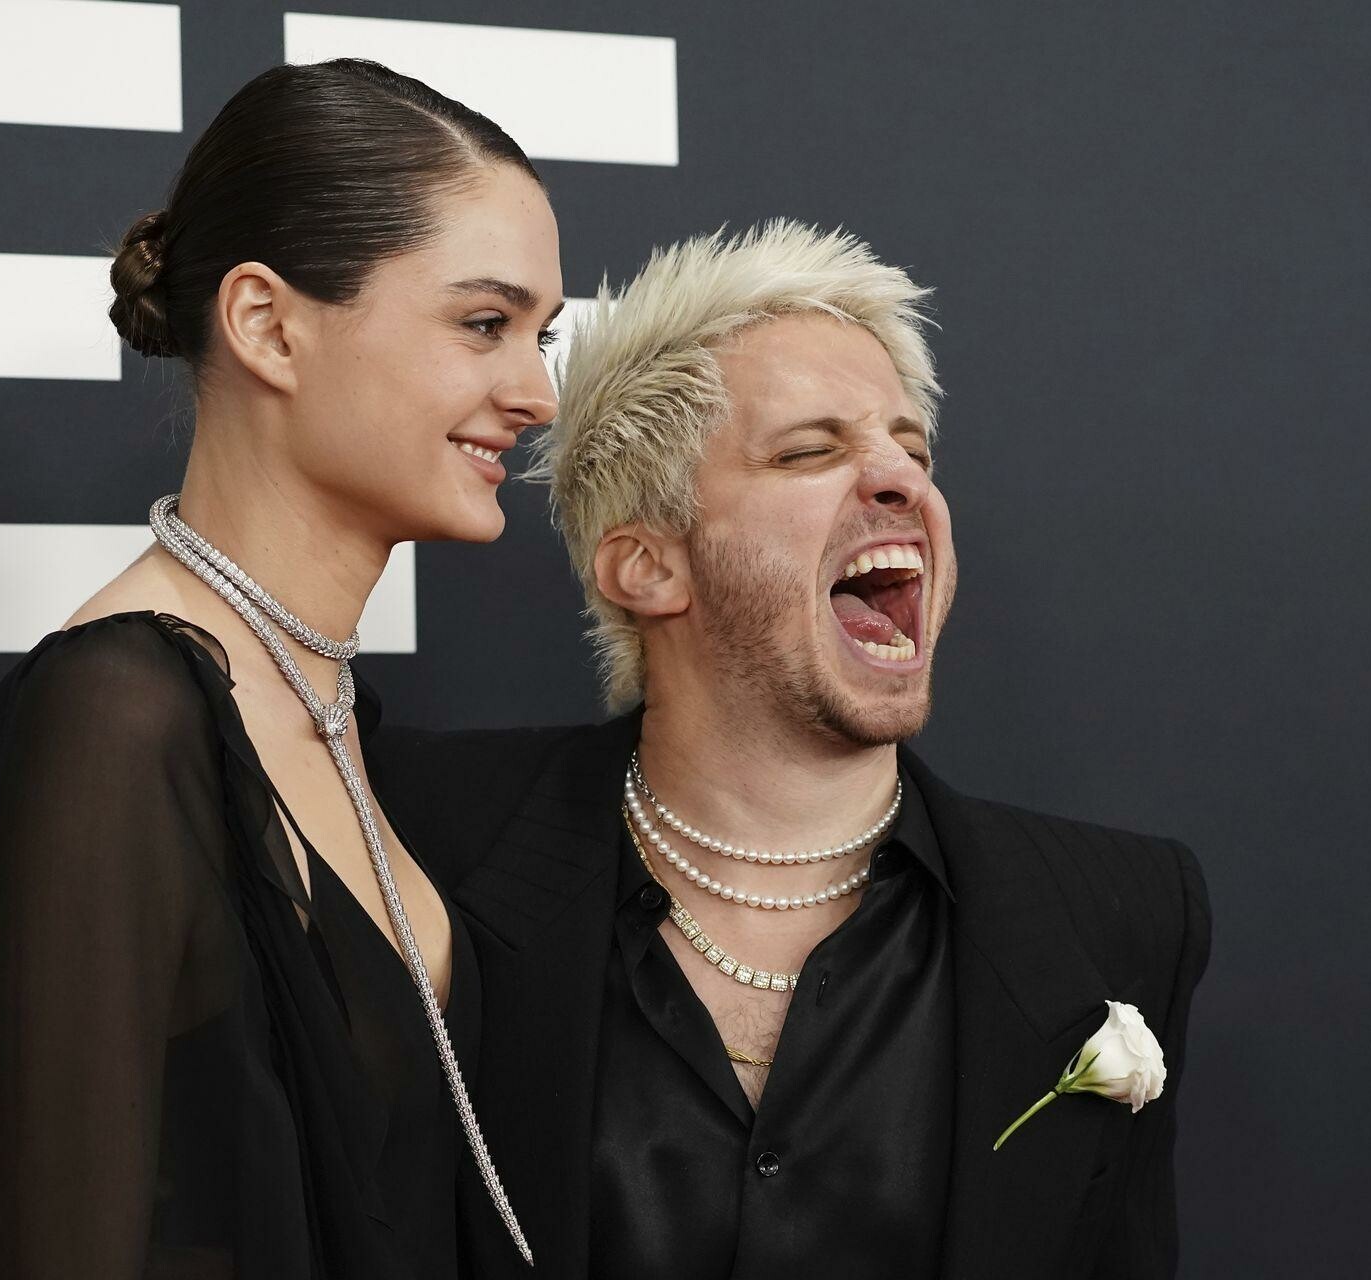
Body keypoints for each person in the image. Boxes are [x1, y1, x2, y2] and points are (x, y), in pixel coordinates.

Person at [367, 220, 1213, 1279]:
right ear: (647, 567)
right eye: (810, 450)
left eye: (914, 449)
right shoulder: (419, 836)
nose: (901, 481)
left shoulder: (1116, 914)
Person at [0, 58, 562, 1277]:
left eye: (540, 335)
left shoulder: (328, 705)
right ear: (266, 325)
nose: (537, 393)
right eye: (483, 324)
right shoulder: (117, 715)